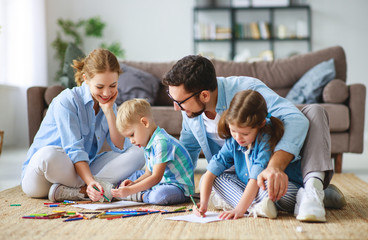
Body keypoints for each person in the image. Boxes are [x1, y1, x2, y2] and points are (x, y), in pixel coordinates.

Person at [162, 55, 346, 222]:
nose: (176, 108)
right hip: (236, 177)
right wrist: (166, 184)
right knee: (205, 182)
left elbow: (295, 119)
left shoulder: (246, 90)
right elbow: (186, 152)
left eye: (180, 102)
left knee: (315, 111)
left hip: (266, 171)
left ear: (204, 95)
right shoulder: (190, 113)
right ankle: (290, 198)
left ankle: (312, 189)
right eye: (172, 99)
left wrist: (275, 166)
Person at [21, 49, 145, 202]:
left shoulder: (107, 102)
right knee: (48, 155)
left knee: (139, 151)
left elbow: (119, 146)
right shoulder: (66, 101)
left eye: (112, 85)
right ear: (86, 79)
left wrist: (108, 111)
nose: (107, 93)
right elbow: (75, 150)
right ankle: (95, 188)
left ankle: (78, 191)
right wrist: (90, 181)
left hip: (78, 172)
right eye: (100, 87)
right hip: (42, 177)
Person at [194, 90, 303, 220]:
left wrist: (239, 210)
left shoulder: (265, 138)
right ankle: (257, 208)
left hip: (277, 190)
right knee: (217, 179)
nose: (238, 137)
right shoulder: (233, 140)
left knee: (272, 187)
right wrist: (204, 204)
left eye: (245, 134)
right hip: (251, 189)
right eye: (233, 130)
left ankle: (249, 207)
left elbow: (255, 180)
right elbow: (210, 173)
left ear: (261, 124)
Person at [111, 99, 195, 205]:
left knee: (160, 196)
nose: (131, 141)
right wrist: (134, 183)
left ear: (145, 123)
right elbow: (148, 173)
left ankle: (141, 196)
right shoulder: (148, 143)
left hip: (178, 188)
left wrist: (130, 190)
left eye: (132, 135)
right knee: (136, 175)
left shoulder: (161, 142)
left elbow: (155, 177)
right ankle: (137, 192)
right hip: (162, 181)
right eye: (128, 138)